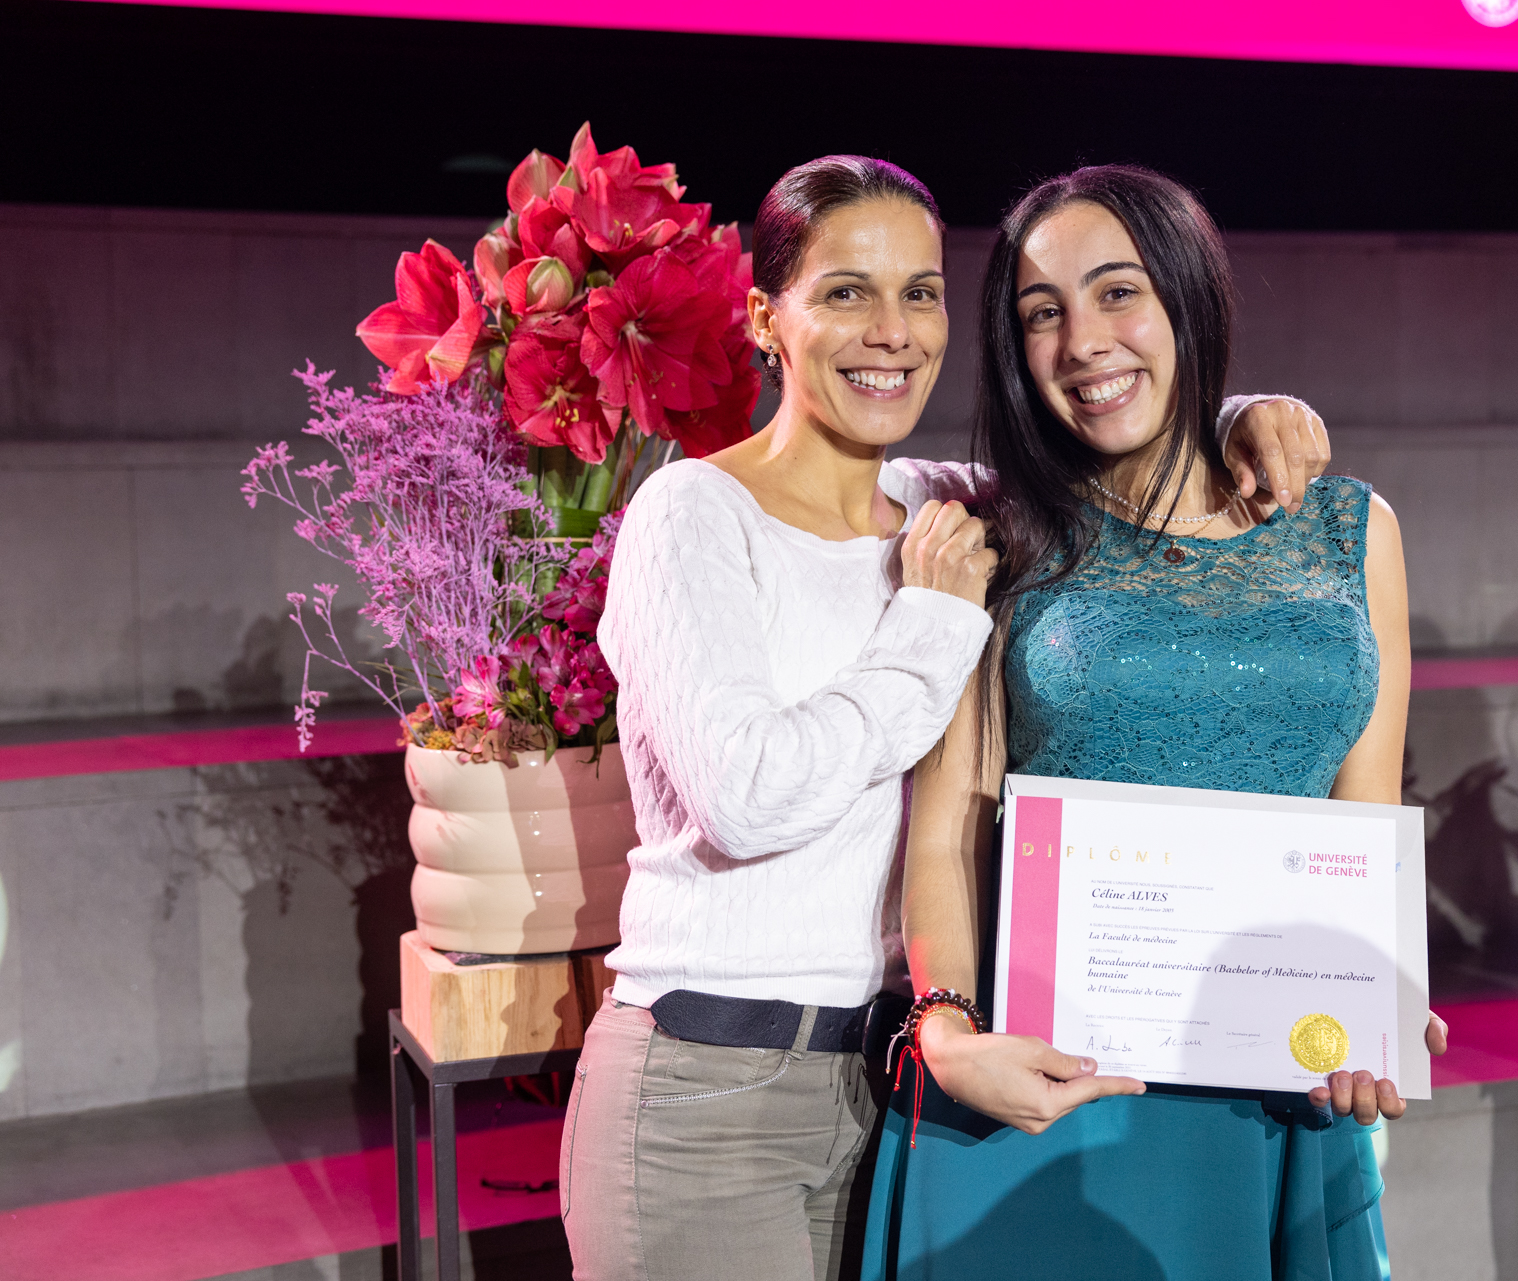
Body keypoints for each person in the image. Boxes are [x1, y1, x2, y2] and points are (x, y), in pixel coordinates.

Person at [567, 154, 1339, 1281]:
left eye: (919, 293)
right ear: (767, 319)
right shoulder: (693, 514)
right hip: (712, 1085)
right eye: (846, 292)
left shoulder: (949, 505)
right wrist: (930, 625)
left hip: (897, 1090)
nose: (891, 331)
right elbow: (747, 798)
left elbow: (1127, 440)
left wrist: (1245, 417)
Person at [863, 164, 1446, 1281]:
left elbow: (1366, 825)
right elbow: (946, 831)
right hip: (1048, 1098)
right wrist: (944, 1029)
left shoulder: (1352, 529)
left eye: (1118, 292)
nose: (1083, 342)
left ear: (1188, 295)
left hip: (1284, 1093)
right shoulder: (1001, 537)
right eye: (1042, 313)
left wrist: (1379, 1000)